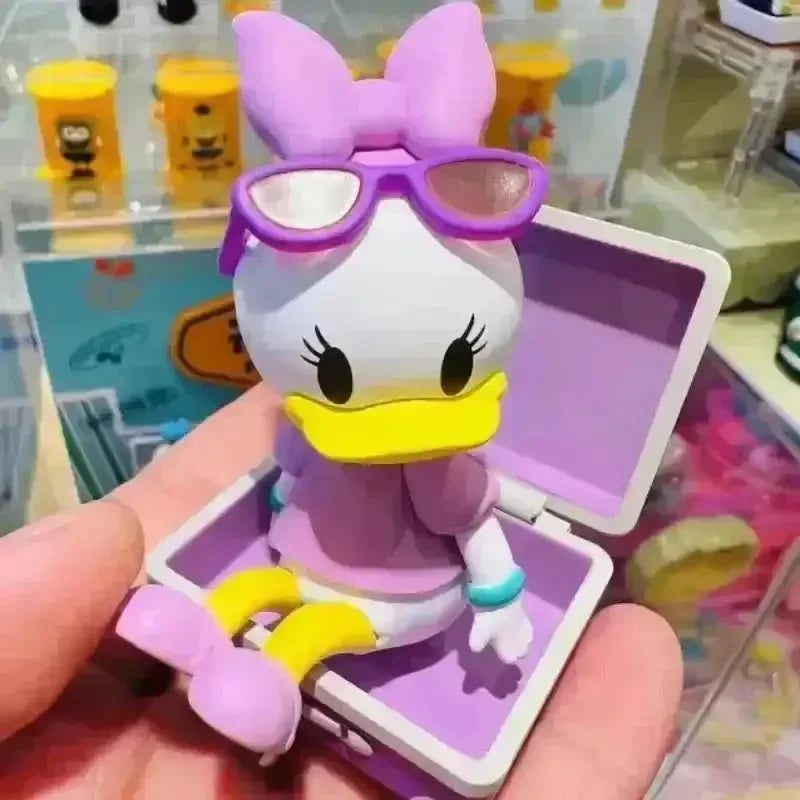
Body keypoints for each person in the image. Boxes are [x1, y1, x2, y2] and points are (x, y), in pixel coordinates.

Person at [0, 384, 682, 798]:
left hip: (399, 602)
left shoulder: (432, 463)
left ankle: (274, 681)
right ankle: (201, 622)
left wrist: (499, 600)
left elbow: (474, 527)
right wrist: (287, 492)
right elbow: (293, 469)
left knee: (312, 629)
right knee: (258, 584)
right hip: (304, 562)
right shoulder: (319, 426)